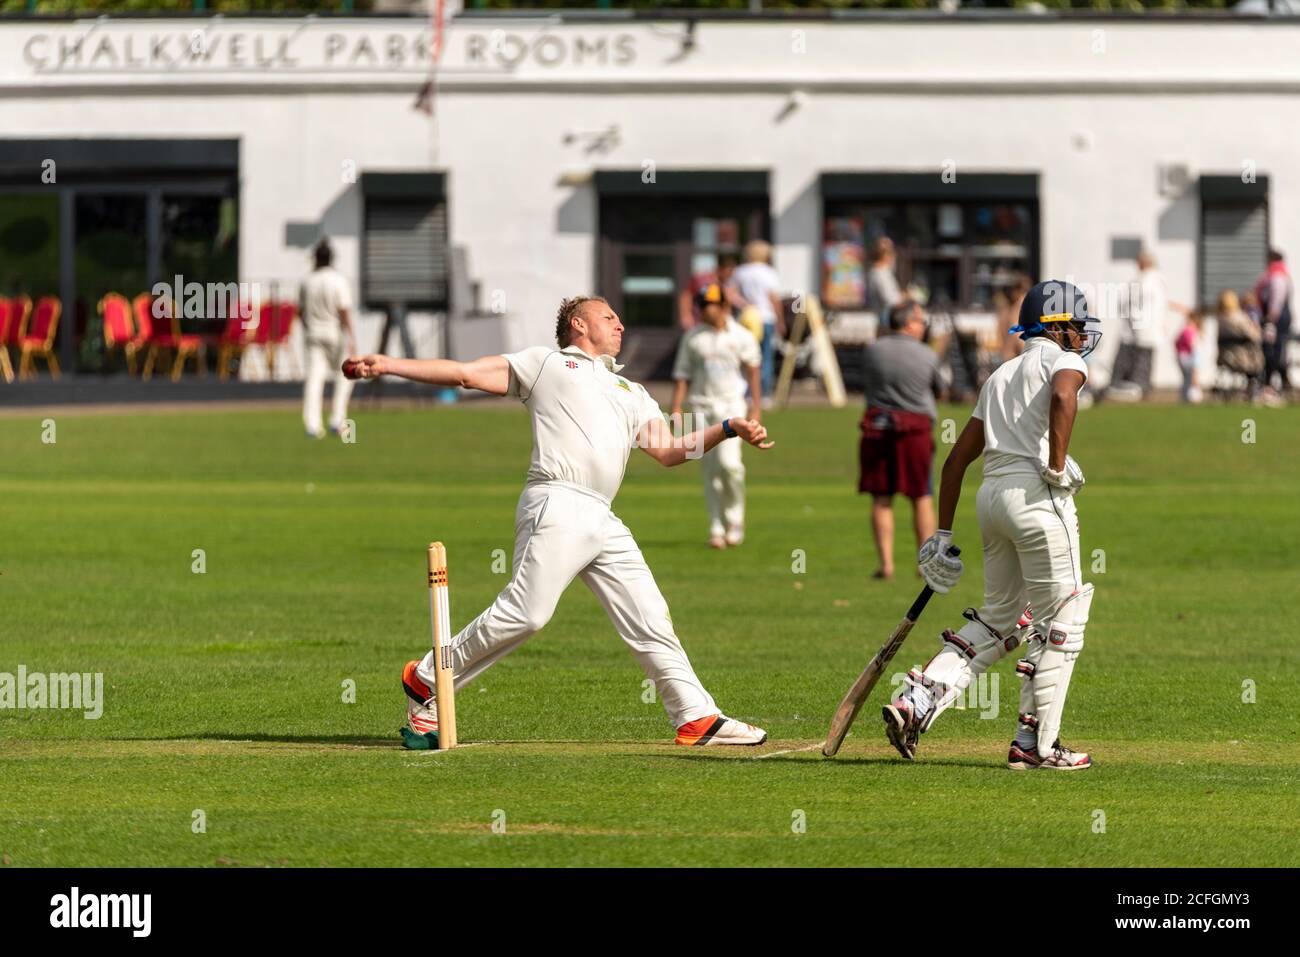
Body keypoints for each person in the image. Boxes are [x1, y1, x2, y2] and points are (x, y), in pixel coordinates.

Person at [344, 296, 774, 748]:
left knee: (650, 615)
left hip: (603, 517)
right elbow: (466, 373)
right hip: (557, 500)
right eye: (609, 318)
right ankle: (426, 677)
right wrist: (389, 364)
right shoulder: (545, 364)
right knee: (527, 615)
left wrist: (727, 428)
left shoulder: (633, 392)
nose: (620, 325)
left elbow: (669, 451)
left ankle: (696, 716)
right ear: (578, 325)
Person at [884, 279, 1101, 771]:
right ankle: (1036, 746)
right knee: (1060, 622)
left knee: (1001, 618)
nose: (1083, 337)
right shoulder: (1064, 362)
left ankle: (917, 699)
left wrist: (941, 536)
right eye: (1076, 326)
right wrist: (1056, 462)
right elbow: (1065, 397)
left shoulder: (1000, 375)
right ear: (1056, 325)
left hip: (991, 499)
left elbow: (955, 462)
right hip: (1037, 497)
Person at [858, 299, 947, 580]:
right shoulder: (927, 354)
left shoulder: (872, 351)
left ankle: (886, 564)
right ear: (909, 323)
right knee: (921, 496)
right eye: (920, 321)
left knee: (881, 498)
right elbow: (941, 389)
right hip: (916, 431)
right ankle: (925, 565)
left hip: (878, 429)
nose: (923, 327)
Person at [671, 282, 762, 549]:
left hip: (732, 406)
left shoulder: (742, 335)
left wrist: (756, 407)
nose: (707, 311)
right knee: (709, 469)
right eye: (703, 306)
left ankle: (735, 520)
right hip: (700, 406)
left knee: (730, 466)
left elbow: (753, 370)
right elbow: (682, 375)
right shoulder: (693, 337)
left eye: (712, 305)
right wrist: (676, 408)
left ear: (724, 306)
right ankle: (716, 526)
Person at [300, 239, 357, 439]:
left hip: (313, 334)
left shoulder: (308, 281)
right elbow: (344, 311)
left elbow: (302, 312)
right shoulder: (338, 280)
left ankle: (313, 426)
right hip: (335, 333)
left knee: (315, 379)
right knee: (345, 377)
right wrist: (351, 336)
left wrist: (307, 328)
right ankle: (338, 420)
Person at [729, 240, 785, 402]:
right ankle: (763, 394)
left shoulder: (740, 271)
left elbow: (730, 294)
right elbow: (774, 298)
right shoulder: (768, 272)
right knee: (765, 357)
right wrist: (780, 320)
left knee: (746, 357)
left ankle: (747, 393)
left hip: (746, 318)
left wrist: (745, 305)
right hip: (765, 318)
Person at [1106, 250, 1165, 400]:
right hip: (1144, 330)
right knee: (1142, 361)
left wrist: (1138, 326)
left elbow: (1131, 306)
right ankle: (1139, 387)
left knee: (1138, 361)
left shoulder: (1144, 282)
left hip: (1140, 330)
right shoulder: (1156, 281)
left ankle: (1136, 387)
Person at [1254, 249, 1293, 400]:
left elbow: (1276, 300)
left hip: (1275, 319)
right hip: (1278, 318)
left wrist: (1270, 318)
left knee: (1272, 351)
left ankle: (1270, 385)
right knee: (1276, 350)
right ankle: (1276, 381)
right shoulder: (1280, 275)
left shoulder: (1276, 277)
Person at [1215, 290, 1264, 400]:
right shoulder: (1240, 318)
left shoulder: (1221, 320)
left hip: (1226, 358)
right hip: (1243, 359)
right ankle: (1254, 390)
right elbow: (1255, 336)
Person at [677, 253, 742, 331]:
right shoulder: (701, 280)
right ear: (721, 269)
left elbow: (733, 299)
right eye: (730, 271)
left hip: (716, 325)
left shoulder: (724, 284)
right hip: (699, 323)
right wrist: (685, 316)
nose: (731, 275)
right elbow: (686, 296)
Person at [866, 236, 903, 320]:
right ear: (884, 255)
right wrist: (905, 297)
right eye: (891, 251)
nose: (894, 254)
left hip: (885, 316)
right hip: (887, 318)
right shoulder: (880, 273)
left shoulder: (881, 271)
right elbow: (891, 300)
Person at [1175, 308, 1205, 404]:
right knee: (1192, 380)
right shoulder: (1190, 332)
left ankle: (1184, 398)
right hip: (1190, 358)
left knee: (1187, 380)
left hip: (1184, 357)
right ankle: (1191, 398)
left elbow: (1176, 343)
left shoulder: (1186, 331)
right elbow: (1194, 348)